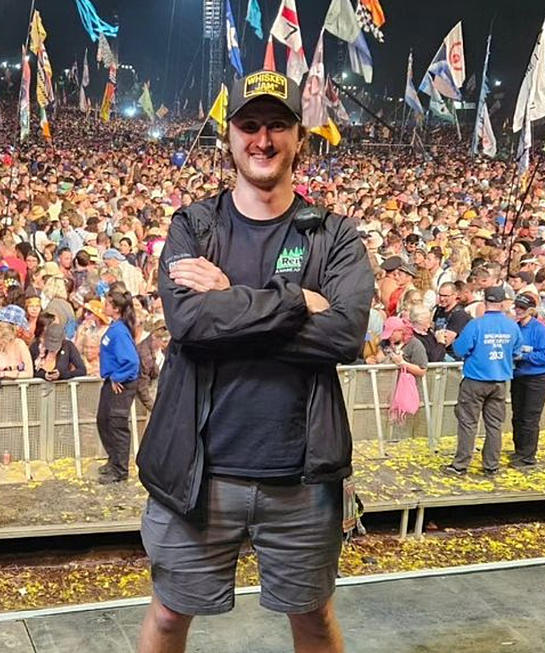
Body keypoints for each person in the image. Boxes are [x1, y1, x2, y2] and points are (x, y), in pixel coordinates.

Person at [136, 70, 372, 653]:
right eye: (248, 125)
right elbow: (190, 324)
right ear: (229, 137)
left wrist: (229, 303)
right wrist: (296, 303)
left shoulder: (335, 236)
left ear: (300, 138)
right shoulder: (194, 225)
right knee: (167, 617)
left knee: (314, 617)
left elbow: (344, 334)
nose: (261, 139)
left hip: (301, 477)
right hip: (198, 474)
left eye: (276, 125)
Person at [446, 286, 522, 476]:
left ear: (485, 302)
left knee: (468, 423)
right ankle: (491, 465)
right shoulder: (512, 325)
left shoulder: (476, 324)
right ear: (503, 302)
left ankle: (461, 465)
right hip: (500, 381)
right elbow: (517, 351)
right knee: (495, 425)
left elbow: (460, 349)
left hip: (475, 379)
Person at [96, 285, 140, 484]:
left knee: (116, 424)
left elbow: (132, 361)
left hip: (121, 383)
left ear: (115, 308)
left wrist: (118, 377)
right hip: (112, 379)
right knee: (103, 420)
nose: (104, 306)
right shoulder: (115, 328)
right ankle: (113, 460)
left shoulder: (120, 331)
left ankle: (120, 470)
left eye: (107, 303)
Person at [510, 294, 545, 468]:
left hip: (537, 378)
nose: (518, 311)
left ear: (531, 310)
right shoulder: (515, 327)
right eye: (517, 307)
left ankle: (528, 456)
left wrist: (525, 356)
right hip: (519, 376)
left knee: (530, 417)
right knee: (518, 416)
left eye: (522, 308)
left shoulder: (540, 329)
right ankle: (520, 450)